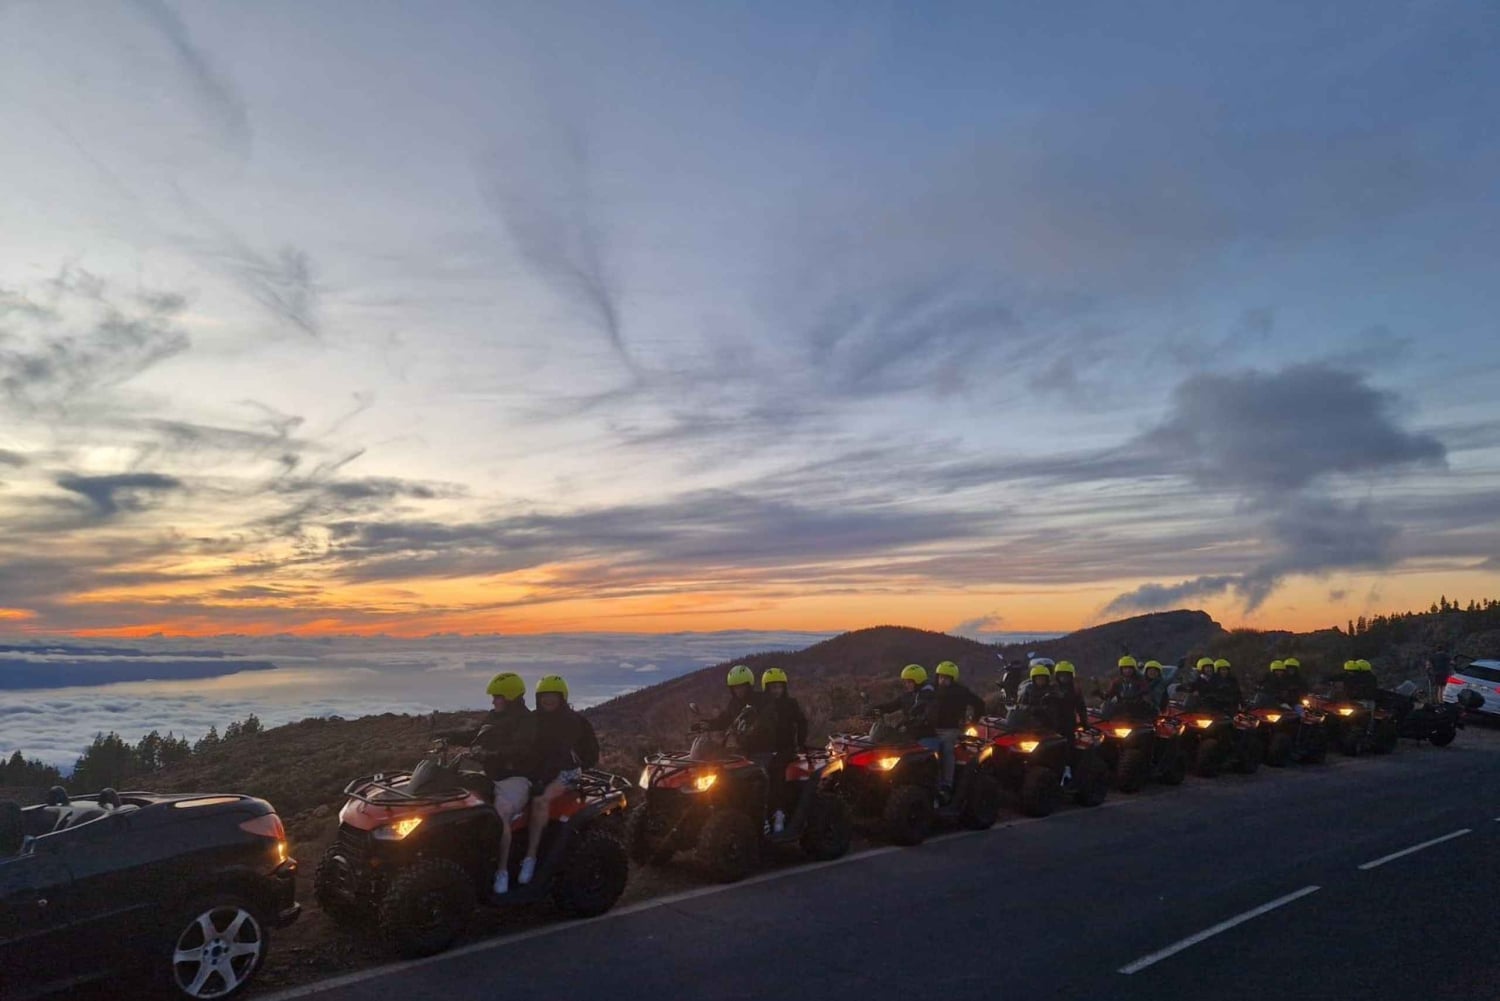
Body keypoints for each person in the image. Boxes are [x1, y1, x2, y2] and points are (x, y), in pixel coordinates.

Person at [440, 672, 537, 895]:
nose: (493, 700)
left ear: (511, 697)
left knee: (500, 814)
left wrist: (491, 755)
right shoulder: (494, 716)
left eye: (498, 696)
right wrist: (448, 737)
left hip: (515, 778)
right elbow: (475, 735)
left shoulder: (526, 721)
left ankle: (501, 872)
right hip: (490, 776)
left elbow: (522, 749)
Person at [518, 675, 599, 886]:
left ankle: (531, 857)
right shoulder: (533, 719)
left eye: (553, 696)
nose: (548, 700)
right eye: (544, 696)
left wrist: (577, 762)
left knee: (540, 800)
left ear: (562, 697)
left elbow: (588, 753)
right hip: (537, 771)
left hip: (565, 773)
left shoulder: (572, 722)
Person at [745, 667, 808, 833]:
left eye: (779, 687)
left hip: (786, 749)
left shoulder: (790, 704)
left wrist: (800, 743)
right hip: (764, 749)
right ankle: (755, 816)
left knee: (775, 773)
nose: (776, 690)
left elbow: (802, 722)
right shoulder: (761, 706)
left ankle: (778, 814)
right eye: (773, 687)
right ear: (766, 688)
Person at [932, 661, 986, 794]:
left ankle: (947, 784)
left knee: (946, 750)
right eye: (940, 677)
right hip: (931, 729)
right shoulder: (933, 690)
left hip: (951, 730)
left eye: (946, 678)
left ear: (952, 678)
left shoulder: (961, 692)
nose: (942, 680)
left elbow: (979, 704)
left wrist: (973, 722)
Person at [869, 664, 937, 740]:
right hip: (909, 733)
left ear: (918, 681)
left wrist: (908, 724)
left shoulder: (928, 696)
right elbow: (893, 705)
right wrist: (876, 709)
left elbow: (926, 716)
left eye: (909, 682)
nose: (906, 685)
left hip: (924, 735)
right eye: (905, 682)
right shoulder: (908, 696)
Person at [702, 664, 764, 734]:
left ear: (749, 685)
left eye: (742, 686)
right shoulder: (734, 704)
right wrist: (708, 724)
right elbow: (724, 720)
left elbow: (768, 719)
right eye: (735, 687)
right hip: (741, 742)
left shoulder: (761, 699)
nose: (739, 690)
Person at [1052, 661, 1090, 734]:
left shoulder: (1075, 690)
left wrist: (1084, 722)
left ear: (1071, 676)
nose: (1063, 678)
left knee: (1070, 742)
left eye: (1066, 675)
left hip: (1069, 723)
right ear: (1057, 676)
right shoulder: (1052, 688)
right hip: (1052, 724)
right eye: (1061, 675)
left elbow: (1081, 708)